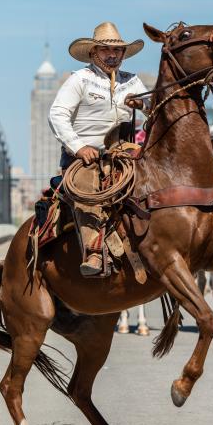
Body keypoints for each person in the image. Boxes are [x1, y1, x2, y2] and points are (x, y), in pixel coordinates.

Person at [48, 22, 149, 276]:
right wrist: (79, 147)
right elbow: (57, 115)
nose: (112, 56)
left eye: (118, 51)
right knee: (86, 188)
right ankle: (93, 252)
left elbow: (154, 106)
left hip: (123, 155)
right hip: (84, 159)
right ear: (93, 53)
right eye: (105, 50)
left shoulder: (133, 81)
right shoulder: (80, 79)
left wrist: (145, 103)